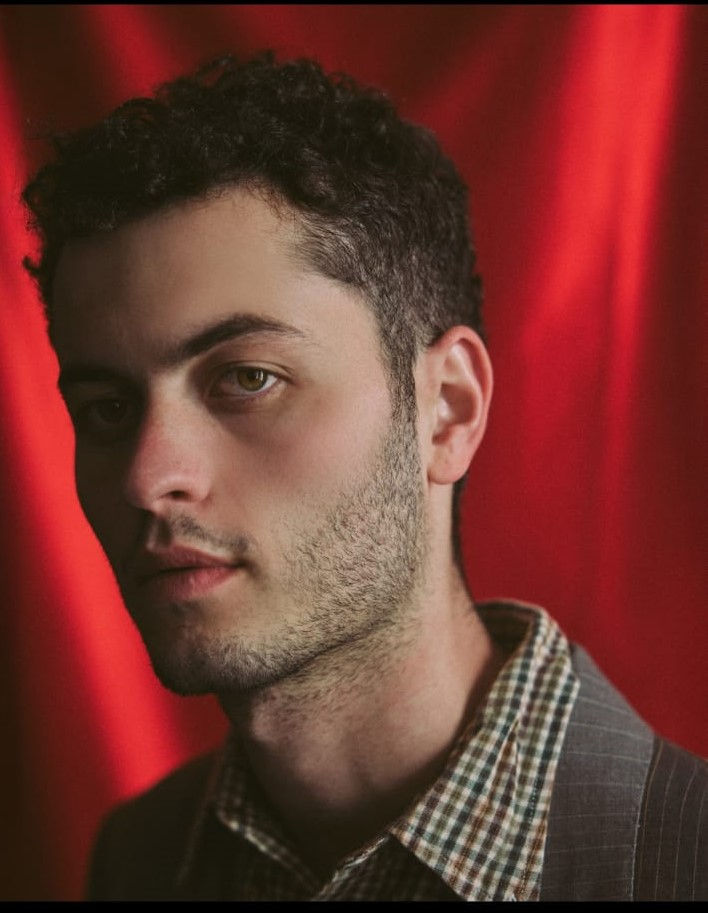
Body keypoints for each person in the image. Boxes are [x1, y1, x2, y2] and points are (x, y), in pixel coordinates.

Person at [21, 52, 705, 902]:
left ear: (447, 410)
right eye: (107, 409)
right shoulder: (139, 861)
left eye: (248, 378)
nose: (147, 475)